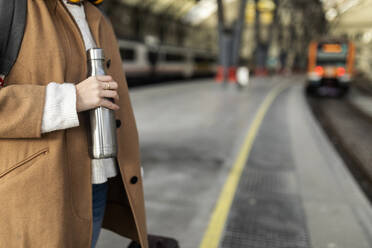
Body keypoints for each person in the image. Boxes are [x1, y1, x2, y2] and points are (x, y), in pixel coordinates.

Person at [0, 1, 148, 247]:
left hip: (98, 183)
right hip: (38, 193)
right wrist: (72, 98)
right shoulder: (12, 7)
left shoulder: (96, 15)